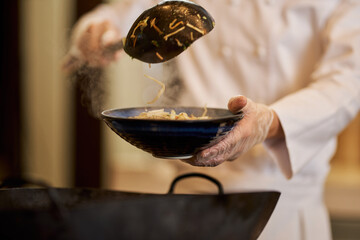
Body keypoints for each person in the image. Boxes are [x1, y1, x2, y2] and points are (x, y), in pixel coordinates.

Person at [63, 0, 360, 239]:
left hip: (280, 209)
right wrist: (94, 32)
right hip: (187, 196)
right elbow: (119, 14)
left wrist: (267, 122)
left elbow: (347, 81)